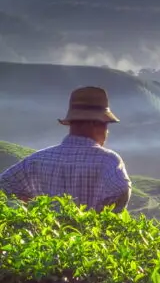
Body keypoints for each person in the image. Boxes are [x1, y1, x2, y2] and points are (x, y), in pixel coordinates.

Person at [0, 86, 132, 212]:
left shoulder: (36, 160)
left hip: (46, 234)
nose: (107, 132)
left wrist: (32, 206)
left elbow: (4, 186)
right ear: (96, 123)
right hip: (91, 234)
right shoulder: (108, 161)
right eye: (106, 125)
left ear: (71, 123)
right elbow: (121, 189)